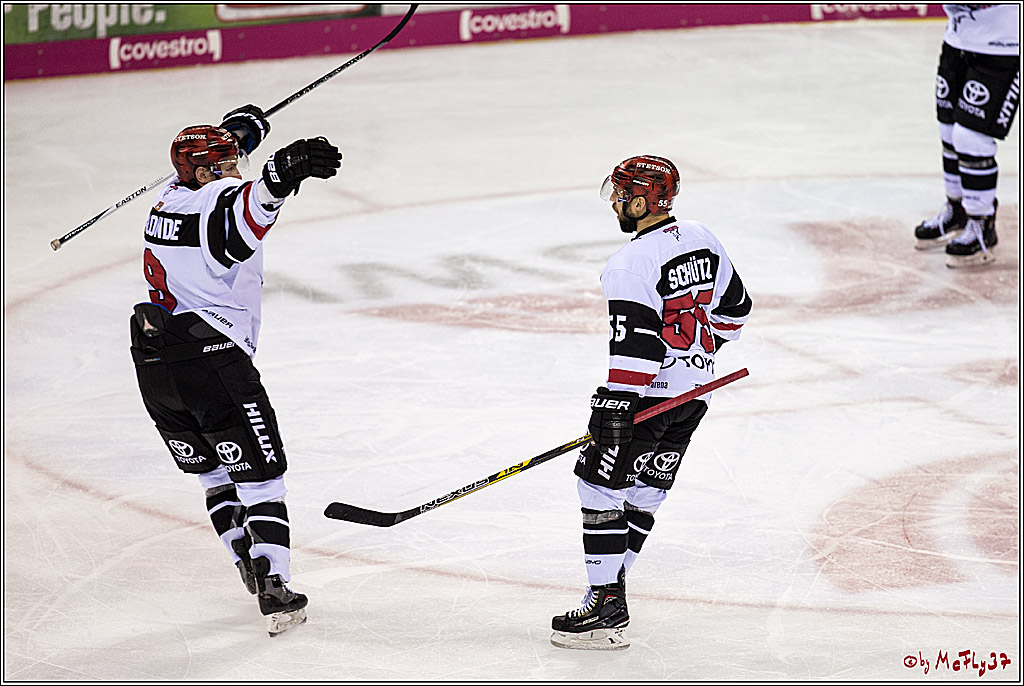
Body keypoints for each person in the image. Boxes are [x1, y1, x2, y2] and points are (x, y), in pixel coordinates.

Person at [129, 105, 341, 636]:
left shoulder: (168, 199)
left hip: (155, 364)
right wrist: (281, 175)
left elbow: (212, 180)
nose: (235, 169)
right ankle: (275, 583)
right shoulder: (216, 200)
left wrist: (240, 133)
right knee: (263, 480)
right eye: (227, 163)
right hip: (213, 361)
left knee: (214, 473)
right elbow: (246, 210)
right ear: (205, 172)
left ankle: (244, 559)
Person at [550, 156, 751, 650]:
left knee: (597, 486)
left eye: (621, 195)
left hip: (647, 399)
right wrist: (695, 357)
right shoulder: (703, 237)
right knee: (644, 493)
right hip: (693, 394)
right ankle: (610, 592)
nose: (615, 204)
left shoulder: (629, 263)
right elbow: (736, 310)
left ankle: (605, 602)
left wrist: (615, 404)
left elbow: (636, 348)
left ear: (641, 202)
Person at [913, 4, 1019, 267]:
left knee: (971, 137)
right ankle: (957, 210)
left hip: (1004, 44)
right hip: (958, 39)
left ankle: (981, 224)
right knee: (948, 130)